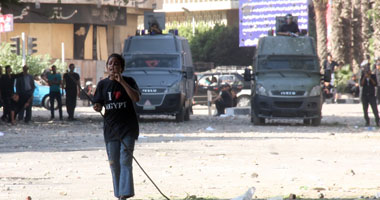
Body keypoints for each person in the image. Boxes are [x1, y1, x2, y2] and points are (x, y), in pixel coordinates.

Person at [93, 53, 140, 200]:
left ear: (122, 68)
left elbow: (136, 98)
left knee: (125, 160)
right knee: (114, 164)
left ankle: (124, 195)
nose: (113, 66)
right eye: (110, 64)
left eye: (116, 64)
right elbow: (98, 103)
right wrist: (97, 106)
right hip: (111, 129)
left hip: (128, 128)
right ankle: (119, 193)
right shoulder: (102, 84)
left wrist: (122, 83)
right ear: (107, 67)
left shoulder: (129, 81)